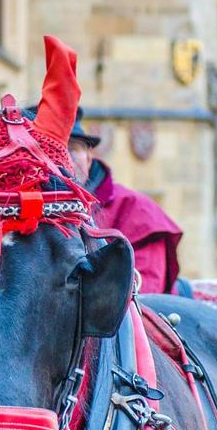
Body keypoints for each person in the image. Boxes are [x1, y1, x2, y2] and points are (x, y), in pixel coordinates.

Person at [34, 107, 185, 294]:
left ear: (88, 158)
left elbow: (143, 296)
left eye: (71, 149)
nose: (61, 160)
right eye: (46, 152)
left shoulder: (136, 209)